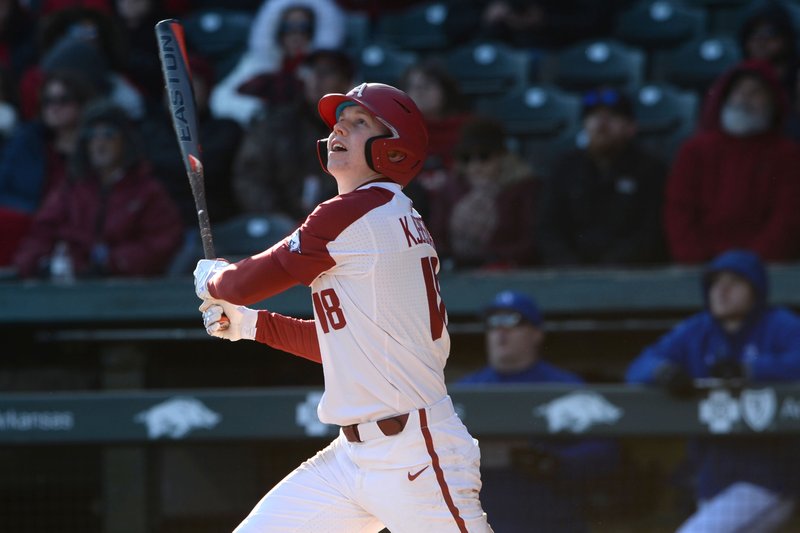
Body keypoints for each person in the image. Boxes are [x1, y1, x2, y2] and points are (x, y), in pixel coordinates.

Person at [193, 82, 493, 532]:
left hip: (416, 456)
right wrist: (252, 326)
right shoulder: (383, 214)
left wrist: (215, 279)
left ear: (392, 149)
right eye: (338, 123)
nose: (339, 130)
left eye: (359, 123)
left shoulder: (355, 213)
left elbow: (251, 280)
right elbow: (346, 345)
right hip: (352, 460)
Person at [626, 249, 800, 532]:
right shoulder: (697, 331)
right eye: (716, 283)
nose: (722, 290)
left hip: (769, 477)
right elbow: (640, 366)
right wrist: (663, 373)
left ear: (755, 289)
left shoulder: (780, 325)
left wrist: (751, 370)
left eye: (734, 282)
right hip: (713, 476)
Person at [458, 290, 621, 533]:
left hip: (551, 518)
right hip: (482, 520)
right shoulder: (463, 392)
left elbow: (607, 452)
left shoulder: (565, 387)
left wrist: (549, 460)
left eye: (513, 321)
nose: (501, 331)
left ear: (536, 333)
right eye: (493, 323)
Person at [13, 100, 182, 278]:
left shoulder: (147, 191)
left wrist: (113, 262)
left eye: (109, 134)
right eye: (92, 135)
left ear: (125, 141)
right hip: (71, 287)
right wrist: (38, 263)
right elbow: (40, 234)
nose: (99, 143)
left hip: (127, 291)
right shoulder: (71, 189)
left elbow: (162, 242)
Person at [664, 59, 800, 264]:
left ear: (773, 101)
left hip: (765, 270)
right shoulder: (694, 150)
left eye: (756, 92)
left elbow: (787, 219)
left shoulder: (787, 155)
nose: (745, 98)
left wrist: (749, 265)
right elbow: (678, 211)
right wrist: (695, 260)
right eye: (738, 91)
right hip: (698, 268)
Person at [537, 87, 668, 267]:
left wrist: (609, 269)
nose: (601, 125)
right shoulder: (565, 167)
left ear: (631, 127)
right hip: (570, 274)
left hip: (629, 275)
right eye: (594, 117)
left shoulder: (650, 169)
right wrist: (569, 267)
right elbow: (547, 227)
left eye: (612, 117)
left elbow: (650, 231)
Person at [140, 54, 243, 275]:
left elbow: (202, 169)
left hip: (216, 230)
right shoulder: (148, 132)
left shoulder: (226, 130)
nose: (180, 92)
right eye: (173, 84)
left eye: (192, 83)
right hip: (160, 230)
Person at [231, 48, 354, 223]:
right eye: (310, 71)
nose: (316, 78)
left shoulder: (356, 130)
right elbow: (250, 176)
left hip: (339, 227)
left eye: (327, 72)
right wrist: (278, 219)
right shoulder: (275, 122)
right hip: (279, 229)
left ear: (346, 82)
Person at [0, 69, 96, 266]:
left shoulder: (96, 147)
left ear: (81, 103)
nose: (54, 107)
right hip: (34, 230)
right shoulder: (27, 143)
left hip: (80, 235)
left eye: (64, 100)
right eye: (48, 100)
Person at [428, 115, 539, 270]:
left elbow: (528, 242)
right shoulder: (449, 190)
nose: (475, 165)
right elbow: (435, 239)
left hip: (505, 272)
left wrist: (492, 259)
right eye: (466, 158)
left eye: (484, 156)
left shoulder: (521, 189)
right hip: (456, 271)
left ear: (501, 157)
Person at [209, 0, 346, 126]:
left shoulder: (328, 68)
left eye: (304, 28)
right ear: (277, 30)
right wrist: (258, 110)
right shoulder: (259, 61)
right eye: (288, 28)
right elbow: (221, 99)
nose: (296, 35)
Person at [399, 59, 472, 219]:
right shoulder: (397, 131)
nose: (420, 92)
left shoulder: (468, 128)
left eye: (427, 85)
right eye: (413, 86)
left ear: (445, 90)